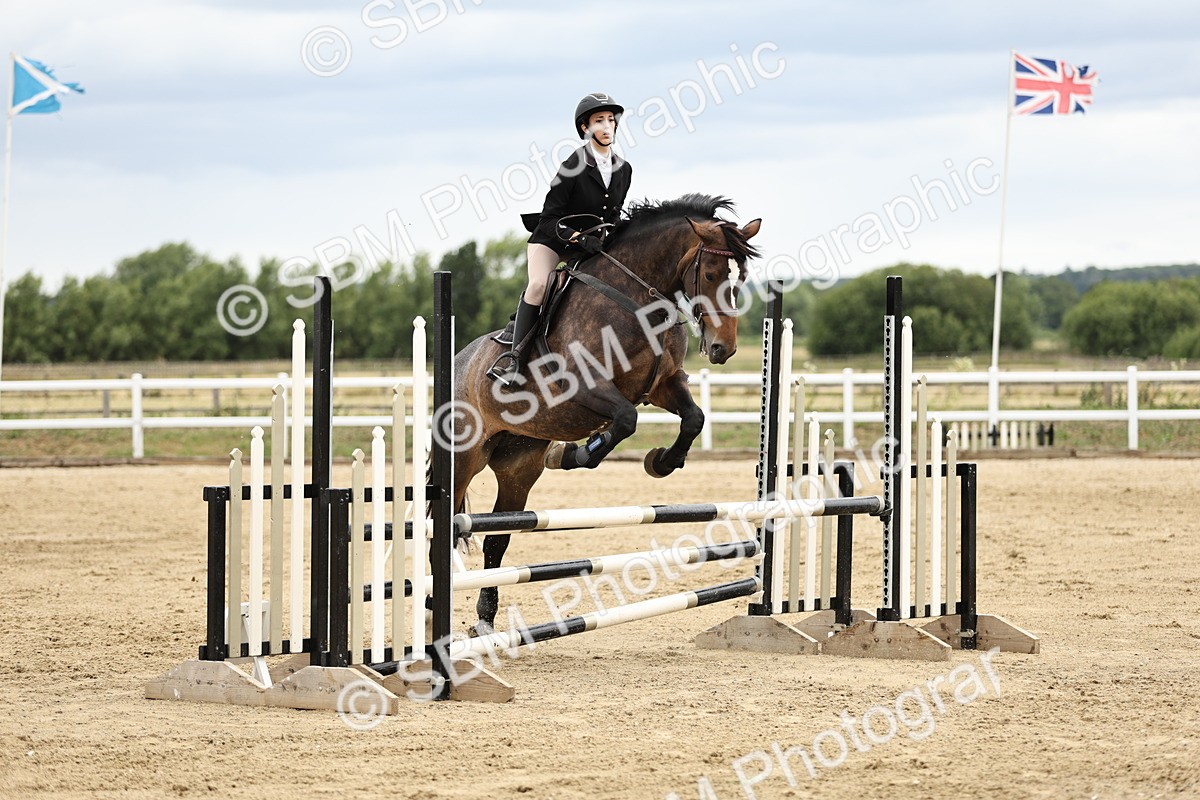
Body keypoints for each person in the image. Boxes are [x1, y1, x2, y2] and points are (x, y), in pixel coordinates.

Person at [487, 92, 634, 385]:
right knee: (540, 285)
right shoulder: (572, 165)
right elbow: (550, 217)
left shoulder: (623, 170)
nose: (607, 126)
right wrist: (579, 238)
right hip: (553, 240)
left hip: (591, 244)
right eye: (598, 121)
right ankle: (515, 360)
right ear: (585, 128)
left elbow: (613, 215)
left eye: (610, 120)